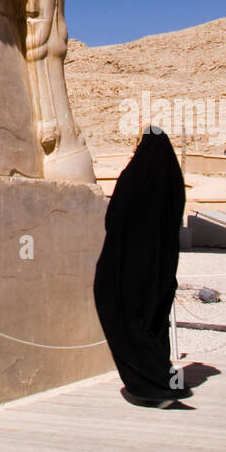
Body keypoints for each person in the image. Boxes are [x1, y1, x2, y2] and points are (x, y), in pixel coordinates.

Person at [93, 124, 190, 406]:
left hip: (127, 265)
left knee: (123, 318)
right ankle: (163, 378)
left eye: (138, 143)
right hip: (161, 267)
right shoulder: (172, 178)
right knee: (153, 323)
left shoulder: (135, 176)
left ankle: (148, 385)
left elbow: (115, 218)